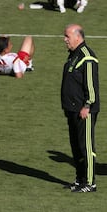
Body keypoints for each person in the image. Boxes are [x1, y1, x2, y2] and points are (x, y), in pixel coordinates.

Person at [61, 24, 99, 192]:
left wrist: (87, 105)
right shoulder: (73, 55)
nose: (65, 39)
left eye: (67, 36)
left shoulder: (87, 56)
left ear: (78, 36)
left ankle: (90, 183)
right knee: (76, 147)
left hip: (84, 111)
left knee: (86, 147)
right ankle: (80, 180)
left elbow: (91, 84)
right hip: (72, 110)